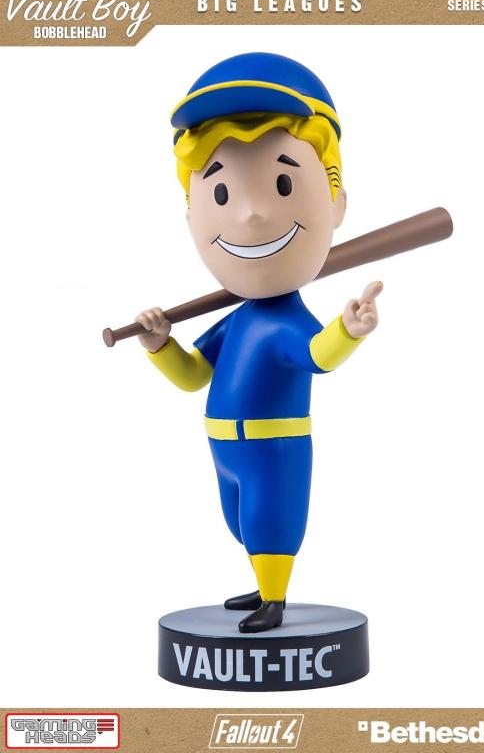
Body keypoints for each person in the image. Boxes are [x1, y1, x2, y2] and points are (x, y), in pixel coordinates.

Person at [136, 52, 382, 633]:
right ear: (192, 214)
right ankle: (262, 583)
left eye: (282, 183)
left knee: (272, 518)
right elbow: (195, 376)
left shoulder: (285, 323)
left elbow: (317, 357)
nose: (249, 216)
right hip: (224, 446)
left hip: (274, 446)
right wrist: (159, 344)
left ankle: (274, 599)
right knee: (240, 522)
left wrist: (348, 330)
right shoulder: (240, 321)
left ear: (336, 202)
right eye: (221, 194)